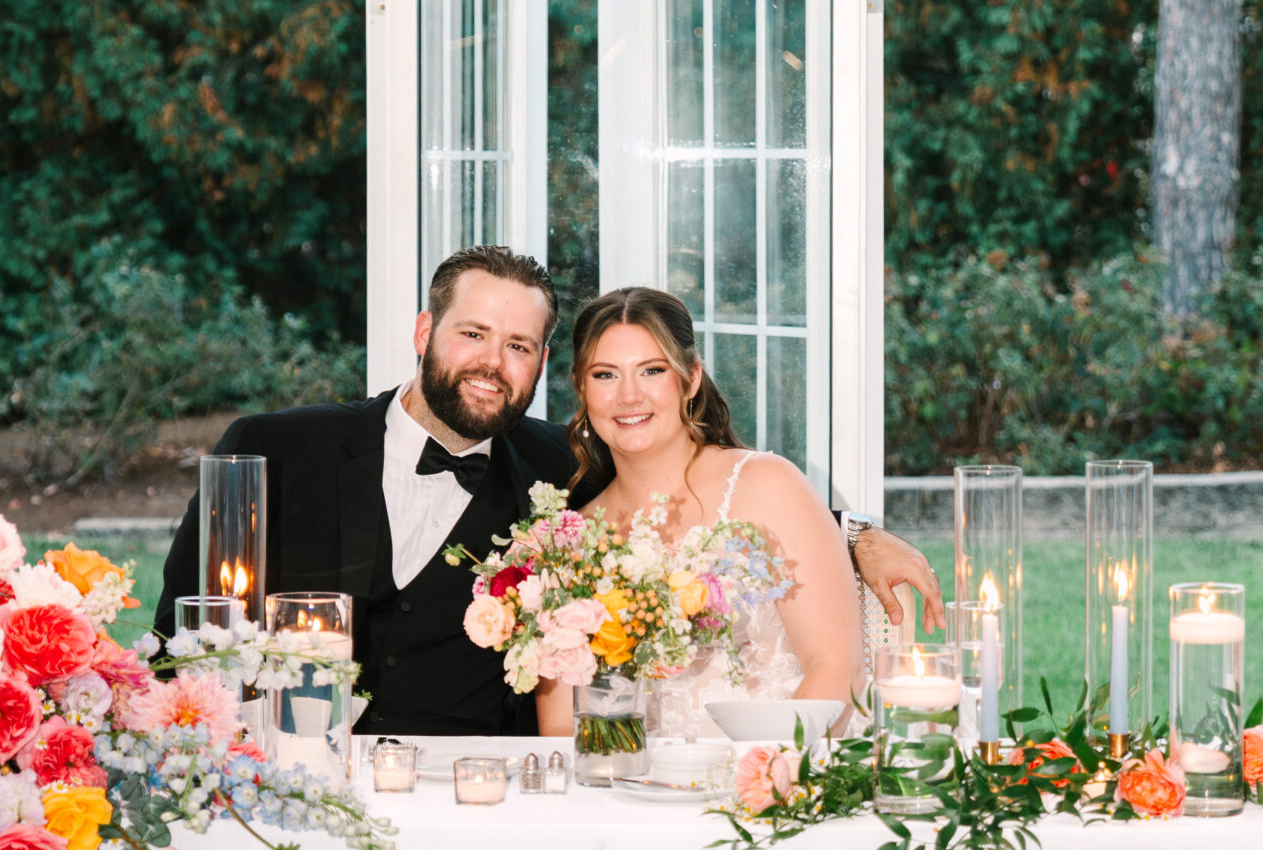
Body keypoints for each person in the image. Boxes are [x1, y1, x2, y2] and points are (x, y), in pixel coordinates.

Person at [157, 245, 944, 738]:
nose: (492, 361)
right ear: (424, 333)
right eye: (472, 334)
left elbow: (704, 499)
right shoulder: (272, 447)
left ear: (538, 369)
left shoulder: (553, 471)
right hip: (292, 763)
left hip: (472, 788)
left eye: (519, 346)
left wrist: (854, 534)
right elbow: (180, 639)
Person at [533, 287, 863, 743]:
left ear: (690, 379)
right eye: (605, 374)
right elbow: (559, 727)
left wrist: (767, 780)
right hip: (632, 799)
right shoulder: (569, 541)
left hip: (779, 780)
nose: (629, 396)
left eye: (652, 370)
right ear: (583, 389)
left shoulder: (768, 484)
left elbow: (836, 671)